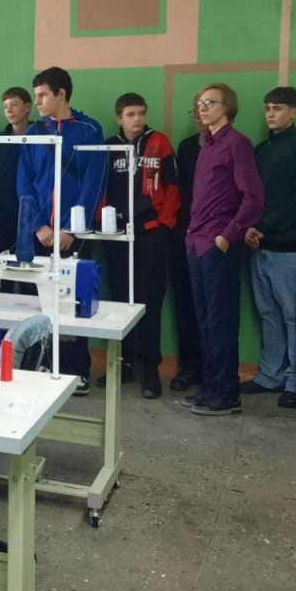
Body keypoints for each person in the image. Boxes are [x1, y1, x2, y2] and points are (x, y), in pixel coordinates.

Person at [17, 66, 106, 394]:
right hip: (41, 234)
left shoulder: (89, 129)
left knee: (74, 303)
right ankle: (41, 364)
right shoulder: (34, 131)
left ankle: (76, 369)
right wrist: (38, 225)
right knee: (38, 303)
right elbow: (24, 181)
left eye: (43, 95)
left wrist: (72, 229)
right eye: (36, 95)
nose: (37, 101)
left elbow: (95, 182)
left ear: (61, 94)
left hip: (74, 235)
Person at [181, 83, 264, 416]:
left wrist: (227, 236)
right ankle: (211, 387)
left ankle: (227, 393)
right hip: (196, 242)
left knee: (220, 320)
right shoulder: (207, 144)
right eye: (199, 103)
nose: (202, 108)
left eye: (209, 102)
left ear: (226, 106)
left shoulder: (237, 144)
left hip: (217, 245)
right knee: (203, 320)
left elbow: (253, 198)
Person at [241, 87, 296, 409]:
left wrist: (265, 226)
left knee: (292, 315)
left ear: (294, 112)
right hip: (257, 243)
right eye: (267, 108)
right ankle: (269, 375)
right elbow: (252, 195)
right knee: (267, 312)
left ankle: (295, 381)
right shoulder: (260, 150)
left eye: (278, 108)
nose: (271, 114)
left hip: (288, 245)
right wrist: (250, 227)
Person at [101, 93, 180, 399]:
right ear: (119, 117)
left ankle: (150, 368)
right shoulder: (109, 146)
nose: (137, 119)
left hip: (151, 234)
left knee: (149, 301)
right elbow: (100, 187)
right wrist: (103, 222)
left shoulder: (159, 142)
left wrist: (164, 224)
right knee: (120, 300)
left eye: (141, 113)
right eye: (130, 114)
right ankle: (122, 363)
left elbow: (172, 186)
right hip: (117, 234)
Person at [169, 97, 207, 392]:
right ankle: (189, 367)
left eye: (206, 107)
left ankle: (213, 370)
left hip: (216, 238)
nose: (199, 114)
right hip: (184, 235)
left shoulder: (235, 145)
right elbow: (180, 193)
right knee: (185, 305)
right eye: (195, 109)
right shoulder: (186, 147)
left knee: (212, 308)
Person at [0, 87, 32, 254]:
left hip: (35, 218)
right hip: (3, 218)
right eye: (5, 106)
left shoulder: (42, 136)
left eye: (14, 105)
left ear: (27, 107)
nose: (9, 110)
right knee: (2, 266)